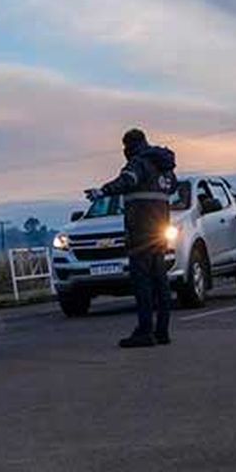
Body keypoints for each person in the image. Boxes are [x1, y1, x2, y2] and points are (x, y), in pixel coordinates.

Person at [86, 129, 177, 348]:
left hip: (141, 234)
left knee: (143, 285)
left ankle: (144, 332)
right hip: (159, 232)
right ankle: (162, 331)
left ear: (129, 146)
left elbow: (126, 181)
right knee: (161, 284)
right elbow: (172, 188)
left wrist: (102, 191)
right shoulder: (165, 168)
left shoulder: (139, 162)